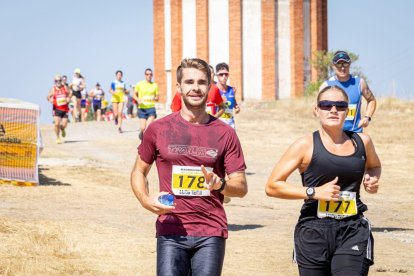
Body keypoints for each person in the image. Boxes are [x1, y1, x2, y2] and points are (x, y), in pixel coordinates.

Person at [131, 58, 248, 275]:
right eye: (189, 82)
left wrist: (220, 184)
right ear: (179, 87)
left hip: (211, 230)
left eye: (202, 82)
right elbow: (139, 171)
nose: (196, 88)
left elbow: (240, 186)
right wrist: (146, 201)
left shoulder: (225, 133)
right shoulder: (158, 129)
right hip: (170, 230)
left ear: (210, 87)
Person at [265, 85, 381, 276]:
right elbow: (272, 186)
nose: (333, 110)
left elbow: (374, 166)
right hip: (313, 230)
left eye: (340, 105)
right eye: (326, 105)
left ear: (348, 110)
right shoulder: (305, 145)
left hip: (352, 228)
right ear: (316, 110)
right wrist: (314, 192)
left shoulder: (362, 142)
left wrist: (372, 179)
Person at [319, 51, 376, 133]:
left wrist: (367, 117)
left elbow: (371, 100)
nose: (342, 68)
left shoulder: (359, 83)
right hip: (331, 135)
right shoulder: (326, 85)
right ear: (333, 66)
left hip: (354, 133)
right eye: (339, 64)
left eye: (345, 64)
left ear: (350, 64)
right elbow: (317, 109)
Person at [133, 68, 159, 139]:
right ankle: (141, 133)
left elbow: (157, 97)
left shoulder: (155, 85)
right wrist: (138, 99)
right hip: (142, 108)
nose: (149, 76)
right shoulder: (139, 84)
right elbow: (134, 94)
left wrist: (155, 98)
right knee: (143, 127)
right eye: (147, 74)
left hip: (151, 108)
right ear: (145, 75)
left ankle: (146, 142)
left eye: (151, 74)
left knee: (148, 127)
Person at [215, 62, 240, 129]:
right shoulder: (212, 90)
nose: (224, 76)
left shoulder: (232, 90)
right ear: (216, 75)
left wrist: (236, 107)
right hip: (216, 125)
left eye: (226, 74)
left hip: (230, 125)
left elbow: (233, 101)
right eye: (221, 74)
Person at [47, 75, 71, 144]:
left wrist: (68, 98)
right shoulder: (53, 89)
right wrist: (50, 99)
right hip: (57, 109)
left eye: (59, 80)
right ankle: (58, 137)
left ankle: (62, 129)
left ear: (61, 81)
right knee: (56, 124)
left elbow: (70, 93)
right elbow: (48, 96)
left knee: (64, 124)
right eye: (56, 81)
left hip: (65, 109)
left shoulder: (64, 88)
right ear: (54, 82)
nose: (58, 82)